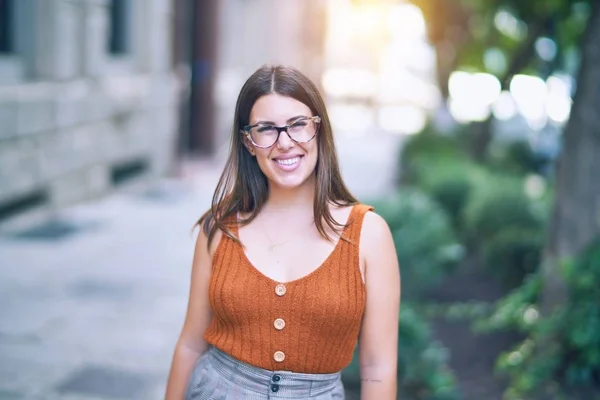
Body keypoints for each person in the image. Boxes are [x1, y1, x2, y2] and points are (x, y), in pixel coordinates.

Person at [165, 65, 401, 399]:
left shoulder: (369, 235)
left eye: (298, 125)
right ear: (249, 142)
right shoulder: (218, 228)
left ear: (319, 129)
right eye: (266, 129)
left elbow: (378, 369)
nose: (285, 143)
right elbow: (190, 344)